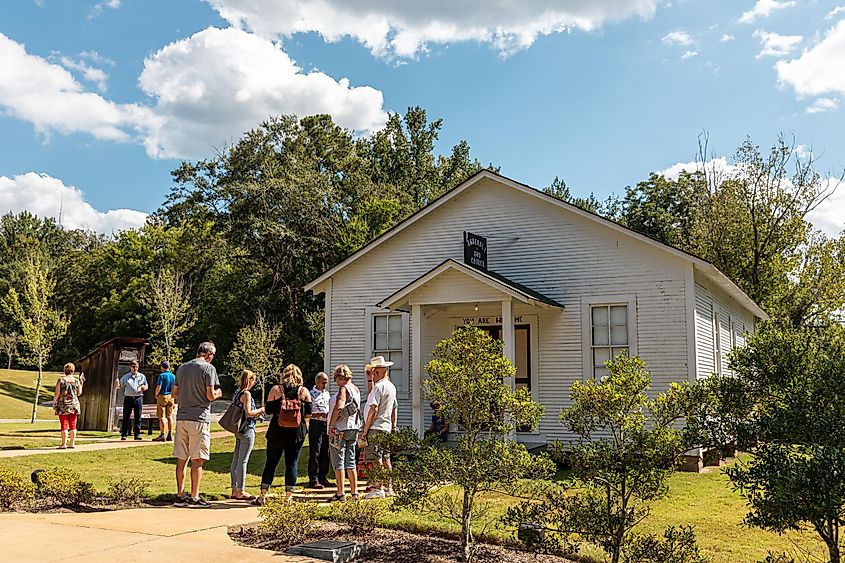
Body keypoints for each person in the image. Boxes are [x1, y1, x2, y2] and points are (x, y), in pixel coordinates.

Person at [172, 342, 221, 508]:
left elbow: (174, 393)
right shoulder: (208, 369)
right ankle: (194, 497)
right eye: (213, 355)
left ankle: (180, 495)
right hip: (199, 418)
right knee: (198, 459)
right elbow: (210, 395)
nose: (212, 359)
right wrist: (219, 393)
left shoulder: (182, 368)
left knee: (181, 459)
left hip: (181, 417)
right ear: (208, 354)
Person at [254, 364, 312, 505]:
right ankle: (288, 497)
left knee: (271, 463)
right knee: (291, 463)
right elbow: (309, 412)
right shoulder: (303, 391)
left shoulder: (276, 389)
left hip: (277, 431)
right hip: (296, 432)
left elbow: (268, 410)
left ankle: (262, 495)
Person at [361, 355, 398, 499]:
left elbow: (373, 409)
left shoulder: (379, 387)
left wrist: (365, 429)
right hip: (386, 426)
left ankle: (378, 487)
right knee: (385, 458)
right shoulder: (390, 386)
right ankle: (389, 486)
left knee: (375, 459)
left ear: (376, 372)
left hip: (376, 427)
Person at [326, 364, 362, 502]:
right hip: (353, 427)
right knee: (350, 459)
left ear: (338, 377)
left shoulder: (343, 389)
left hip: (339, 428)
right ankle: (354, 492)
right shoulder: (356, 389)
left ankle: (340, 492)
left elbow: (340, 406)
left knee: (338, 460)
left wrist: (331, 424)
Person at [230, 369, 265, 500]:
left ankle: (234, 488)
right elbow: (249, 413)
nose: (254, 383)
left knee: (236, 459)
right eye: (254, 380)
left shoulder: (236, 393)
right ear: (249, 380)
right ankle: (241, 490)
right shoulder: (246, 394)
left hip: (238, 429)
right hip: (247, 428)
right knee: (243, 460)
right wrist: (261, 410)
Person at [307, 372, 332, 489]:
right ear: (317, 382)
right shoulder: (311, 394)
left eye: (326, 383)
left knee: (325, 452)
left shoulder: (327, 394)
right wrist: (318, 414)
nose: (325, 385)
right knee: (315, 451)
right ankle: (313, 479)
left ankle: (323, 476)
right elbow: (307, 412)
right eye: (323, 382)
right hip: (315, 423)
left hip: (325, 423)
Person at [114, 360, 147, 441]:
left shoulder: (142, 376)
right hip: (128, 398)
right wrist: (116, 384)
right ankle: (124, 434)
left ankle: (137, 434)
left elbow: (146, 387)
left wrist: (143, 388)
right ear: (130, 367)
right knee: (126, 417)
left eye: (136, 366)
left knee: (138, 417)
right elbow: (119, 387)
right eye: (133, 366)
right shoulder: (125, 377)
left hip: (138, 398)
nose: (135, 368)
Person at [52, 362, 83, 449]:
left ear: (65, 370)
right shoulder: (76, 381)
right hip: (74, 405)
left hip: (63, 405)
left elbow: (57, 394)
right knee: (73, 425)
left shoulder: (61, 380)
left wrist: (54, 402)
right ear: (73, 371)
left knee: (64, 425)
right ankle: (72, 443)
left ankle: (63, 444)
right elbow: (79, 393)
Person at [152, 361, 176, 442]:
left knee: (161, 416)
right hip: (171, 396)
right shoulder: (173, 376)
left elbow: (159, 386)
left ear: (163, 367)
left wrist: (156, 395)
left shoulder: (162, 376)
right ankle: (170, 434)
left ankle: (162, 434)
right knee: (169, 416)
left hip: (163, 395)